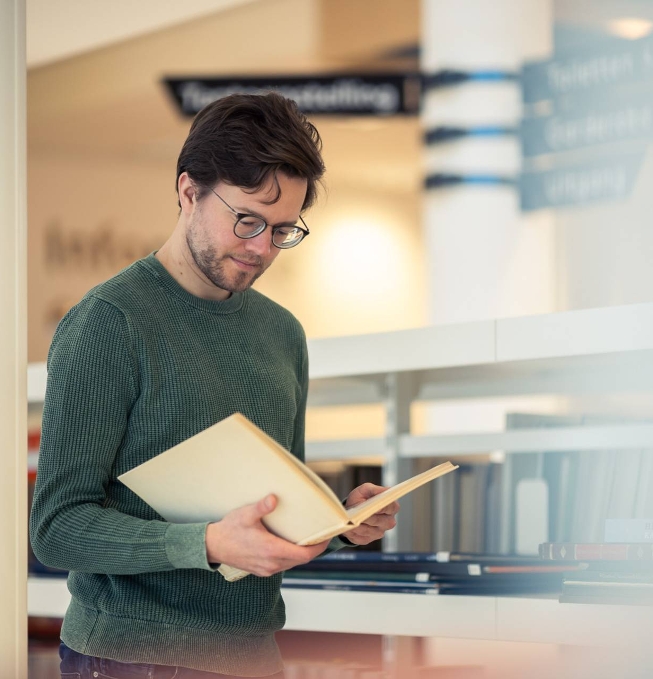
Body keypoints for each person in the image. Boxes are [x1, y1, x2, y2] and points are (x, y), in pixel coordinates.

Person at [29, 92, 400, 679]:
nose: (260, 249)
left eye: (282, 231)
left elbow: (269, 521)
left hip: (255, 658)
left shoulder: (283, 334)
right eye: (247, 220)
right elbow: (57, 529)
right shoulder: (109, 322)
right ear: (188, 192)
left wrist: (341, 524)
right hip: (130, 659)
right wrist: (205, 544)